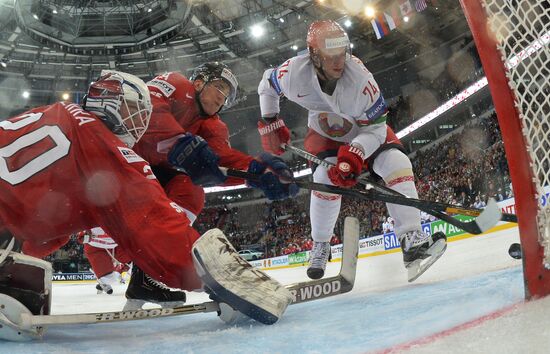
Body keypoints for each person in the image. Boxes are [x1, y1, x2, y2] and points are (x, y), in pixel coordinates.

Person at [0, 70, 293, 327]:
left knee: (51, 234)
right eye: (131, 110)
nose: (137, 121)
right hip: (128, 175)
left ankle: (141, 277)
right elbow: (151, 219)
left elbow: (217, 162)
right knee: (145, 218)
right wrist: (215, 278)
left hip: (30, 203)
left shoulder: (58, 110)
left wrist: (255, 170)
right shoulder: (171, 89)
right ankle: (151, 272)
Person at [257, 20, 447, 281]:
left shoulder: (361, 80)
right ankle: (321, 245)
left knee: (396, 163)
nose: (338, 62)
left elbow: (378, 128)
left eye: (342, 53)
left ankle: (411, 239)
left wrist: (356, 151)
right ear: (313, 55)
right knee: (323, 179)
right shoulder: (292, 74)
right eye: (330, 56)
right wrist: (271, 122)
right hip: (325, 136)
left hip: (366, 131)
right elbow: (266, 84)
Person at [133, 62, 299, 228]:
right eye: (219, 87)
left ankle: (160, 240)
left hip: (149, 170)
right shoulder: (178, 84)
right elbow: (146, 107)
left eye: (226, 95)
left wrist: (257, 170)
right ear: (199, 83)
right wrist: (179, 141)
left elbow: (219, 161)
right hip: (121, 155)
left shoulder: (213, 125)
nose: (221, 98)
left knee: (190, 193)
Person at [76, 227, 131, 295]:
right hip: (96, 245)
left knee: (136, 264)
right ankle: (103, 281)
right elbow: (81, 236)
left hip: (118, 242)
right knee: (111, 279)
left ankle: (103, 280)